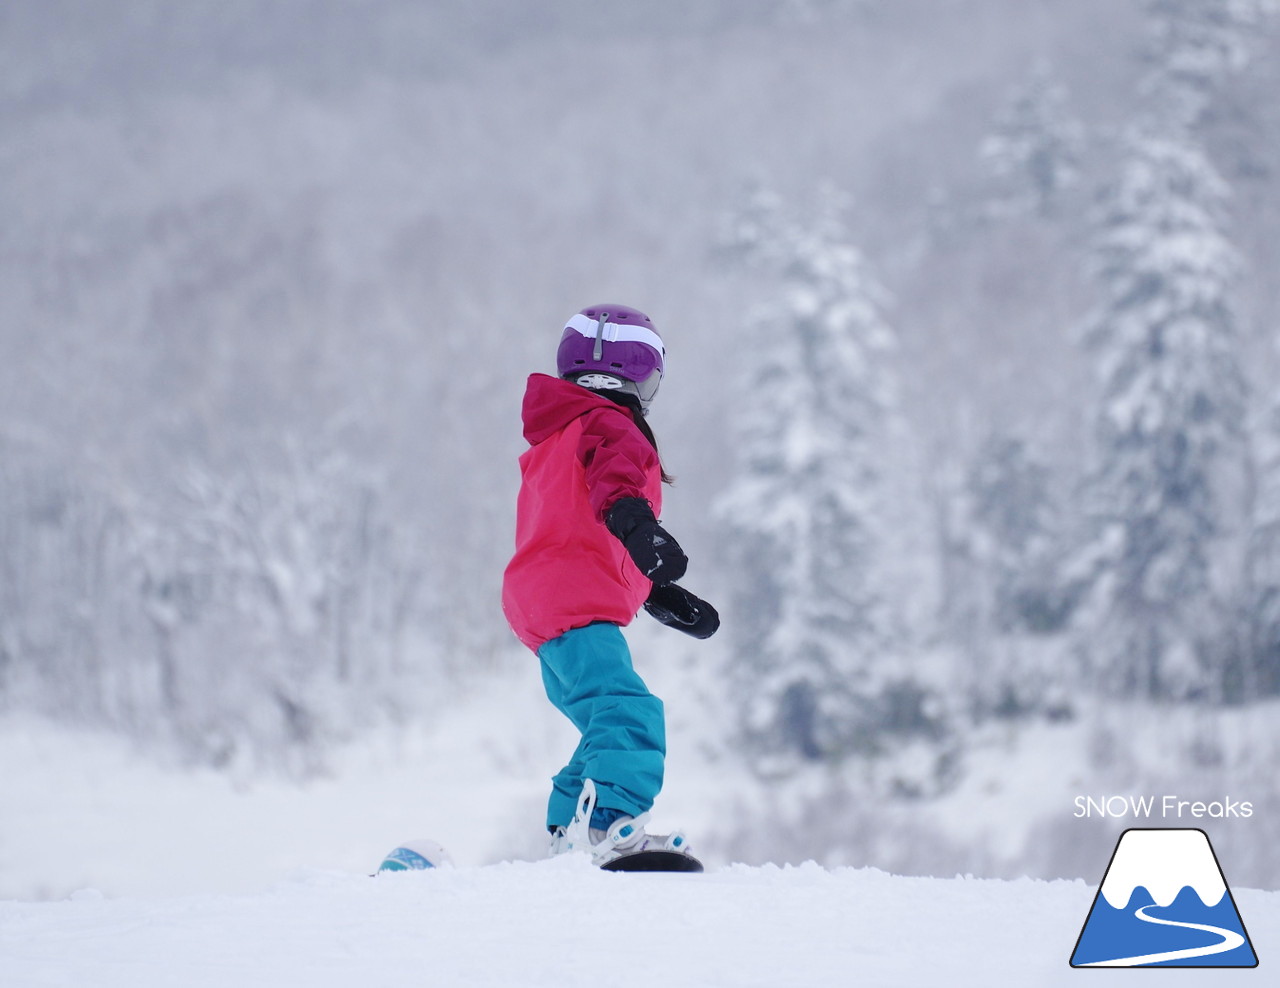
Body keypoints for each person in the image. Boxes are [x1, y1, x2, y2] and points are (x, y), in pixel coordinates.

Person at [502, 303, 719, 867]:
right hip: (574, 603)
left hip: (543, 602)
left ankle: (570, 830)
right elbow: (615, 489)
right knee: (631, 715)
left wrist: (655, 593)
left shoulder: (560, 433)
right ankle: (608, 827)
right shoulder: (609, 426)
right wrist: (640, 528)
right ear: (639, 375)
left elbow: (576, 529)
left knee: (605, 719)